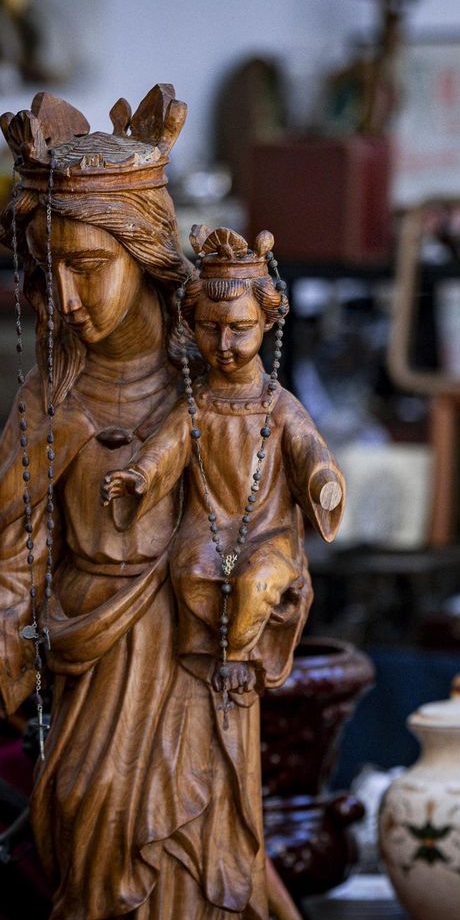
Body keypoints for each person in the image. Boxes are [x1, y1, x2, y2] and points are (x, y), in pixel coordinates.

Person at [0, 87, 280, 920]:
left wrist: (261, 585)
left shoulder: (211, 382)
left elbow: (267, 523)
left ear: (142, 252)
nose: (62, 297)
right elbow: (21, 557)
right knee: (91, 808)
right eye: (45, 271)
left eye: (86, 267)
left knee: (189, 848)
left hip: (191, 669)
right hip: (89, 663)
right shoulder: (47, 401)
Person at [101, 224, 344, 704]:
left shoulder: (277, 405)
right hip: (211, 532)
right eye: (210, 329)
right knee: (193, 571)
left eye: (240, 328)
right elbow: (166, 449)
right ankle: (216, 650)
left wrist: (323, 482)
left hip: (267, 534)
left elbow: (309, 449)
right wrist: (139, 476)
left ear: (267, 323)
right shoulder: (198, 403)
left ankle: (237, 657)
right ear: (193, 326)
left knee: (254, 580)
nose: (224, 344)